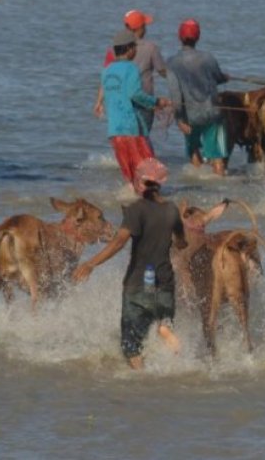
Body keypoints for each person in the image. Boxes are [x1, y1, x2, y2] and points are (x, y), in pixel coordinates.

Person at [73, 158, 187, 370]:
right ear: (160, 184)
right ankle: (181, 361)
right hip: (165, 284)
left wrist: (90, 264)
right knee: (163, 326)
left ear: (140, 184)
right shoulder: (172, 210)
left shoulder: (136, 210)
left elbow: (118, 242)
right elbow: (181, 243)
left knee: (130, 345)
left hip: (138, 285)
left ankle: (141, 382)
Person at [100, 29, 170, 188]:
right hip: (132, 129)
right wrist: (157, 102)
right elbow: (135, 95)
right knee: (152, 175)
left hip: (114, 132)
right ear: (130, 49)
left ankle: (132, 203)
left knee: (131, 177)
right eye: (135, 47)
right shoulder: (131, 68)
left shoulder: (106, 71)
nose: (136, 50)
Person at [166, 18, 230, 176]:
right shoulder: (208, 58)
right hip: (212, 114)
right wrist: (225, 77)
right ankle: (220, 188)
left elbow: (175, 94)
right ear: (198, 37)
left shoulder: (172, 62)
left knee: (193, 150)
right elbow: (218, 78)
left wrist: (179, 120)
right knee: (217, 157)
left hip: (190, 117)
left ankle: (199, 185)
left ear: (179, 37)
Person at [95, 9, 167, 140]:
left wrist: (99, 101)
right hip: (144, 101)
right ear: (140, 28)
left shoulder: (115, 49)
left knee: (125, 138)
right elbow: (163, 72)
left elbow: (107, 77)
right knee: (142, 139)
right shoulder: (151, 48)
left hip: (122, 102)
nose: (146, 29)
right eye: (144, 26)